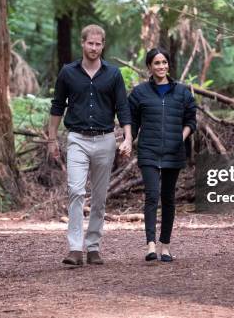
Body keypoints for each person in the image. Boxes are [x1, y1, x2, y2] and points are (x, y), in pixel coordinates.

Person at [48, 24, 133, 266]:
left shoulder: (113, 74)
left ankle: (93, 246)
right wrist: (52, 139)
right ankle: (75, 248)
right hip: (77, 139)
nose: (94, 48)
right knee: (75, 190)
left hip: (105, 140)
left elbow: (122, 108)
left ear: (103, 45)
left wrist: (127, 138)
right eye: (90, 43)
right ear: (82, 43)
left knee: (99, 197)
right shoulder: (68, 72)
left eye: (98, 44)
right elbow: (57, 106)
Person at [128, 47, 197, 262]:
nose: (161, 66)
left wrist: (180, 137)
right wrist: (128, 140)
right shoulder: (139, 93)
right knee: (152, 195)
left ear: (169, 65)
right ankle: (150, 245)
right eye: (156, 63)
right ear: (149, 66)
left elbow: (191, 121)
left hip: (173, 151)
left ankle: (165, 246)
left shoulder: (182, 92)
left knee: (168, 198)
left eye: (164, 62)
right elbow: (132, 122)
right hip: (148, 150)